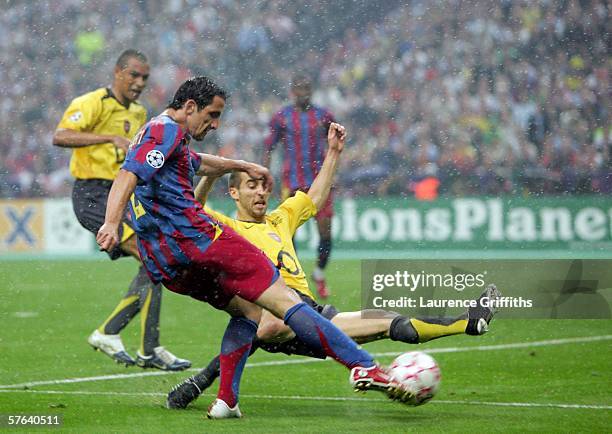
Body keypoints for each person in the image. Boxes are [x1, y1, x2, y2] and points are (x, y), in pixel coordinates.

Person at [96, 76, 414, 419]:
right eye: (212, 115)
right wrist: (111, 222)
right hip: (198, 238)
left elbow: (197, 162)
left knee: (248, 312)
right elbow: (128, 175)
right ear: (189, 107)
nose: (215, 124)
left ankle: (227, 402)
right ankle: (362, 364)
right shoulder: (166, 130)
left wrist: (243, 165)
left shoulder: (160, 136)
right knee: (284, 298)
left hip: (166, 263)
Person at [166, 123, 501, 409]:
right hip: (272, 311)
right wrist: (212, 173)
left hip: (309, 312)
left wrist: (334, 153)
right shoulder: (227, 226)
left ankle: (465, 324)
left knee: (384, 320)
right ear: (235, 194)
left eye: (264, 187)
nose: (260, 193)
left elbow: (313, 198)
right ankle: (205, 381)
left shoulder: (279, 219)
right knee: (269, 326)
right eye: (251, 187)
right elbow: (192, 210)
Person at [53, 49, 190, 371]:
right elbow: (60, 136)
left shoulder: (141, 113)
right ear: (117, 72)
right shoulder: (93, 102)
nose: (139, 82)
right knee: (151, 257)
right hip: (92, 195)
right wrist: (108, 138)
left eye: (144, 77)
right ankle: (143, 345)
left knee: (157, 259)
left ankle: (116, 335)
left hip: (121, 194)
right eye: (134, 75)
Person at [263, 73, 336, 298]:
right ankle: (291, 278)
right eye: (299, 88)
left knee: (325, 232)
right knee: (287, 233)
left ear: (311, 90)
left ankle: (319, 273)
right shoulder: (281, 117)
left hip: (319, 183)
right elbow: (269, 147)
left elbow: (336, 143)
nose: (303, 92)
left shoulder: (323, 116)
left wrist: (334, 170)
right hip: (292, 183)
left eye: (307, 88)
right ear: (293, 91)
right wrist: (264, 176)